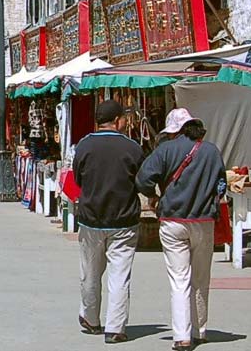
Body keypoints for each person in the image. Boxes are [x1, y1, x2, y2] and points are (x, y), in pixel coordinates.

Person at [136, 108, 226, 350]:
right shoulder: (211, 151)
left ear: (174, 130)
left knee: (179, 280)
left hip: (173, 221)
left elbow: (142, 179)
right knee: (201, 278)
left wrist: (153, 196)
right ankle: (200, 330)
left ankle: (181, 336)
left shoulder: (165, 150)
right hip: (204, 222)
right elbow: (221, 185)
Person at [72, 100, 145, 344]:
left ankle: (91, 317)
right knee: (119, 275)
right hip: (123, 219)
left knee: (90, 272)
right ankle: (115, 327)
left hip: (91, 218)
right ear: (117, 120)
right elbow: (140, 179)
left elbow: (78, 177)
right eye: (123, 117)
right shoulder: (132, 148)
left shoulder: (84, 145)